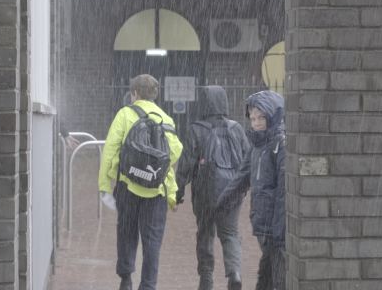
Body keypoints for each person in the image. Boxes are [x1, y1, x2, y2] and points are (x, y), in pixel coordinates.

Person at [98, 74, 183, 290]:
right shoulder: (166, 119)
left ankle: (126, 279)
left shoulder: (125, 114)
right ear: (155, 95)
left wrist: (105, 186)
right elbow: (172, 156)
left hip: (128, 187)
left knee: (126, 233)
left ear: (134, 93)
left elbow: (110, 150)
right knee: (152, 241)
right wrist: (170, 193)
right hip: (157, 192)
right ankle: (148, 285)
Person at [175, 86, 251, 290]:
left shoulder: (196, 129)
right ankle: (234, 272)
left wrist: (178, 190)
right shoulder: (236, 128)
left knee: (205, 233)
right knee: (230, 234)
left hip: (205, 192)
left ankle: (206, 277)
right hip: (232, 192)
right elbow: (248, 160)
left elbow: (186, 165)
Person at [217, 90, 286, 290]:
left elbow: (283, 191)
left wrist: (279, 229)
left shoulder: (280, 144)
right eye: (252, 118)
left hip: (275, 226)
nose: (255, 123)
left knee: (278, 277)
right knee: (270, 273)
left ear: (273, 116)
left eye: (261, 117)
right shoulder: (256, 145)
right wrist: (221, 204)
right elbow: (241, 177)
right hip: (262, 223)